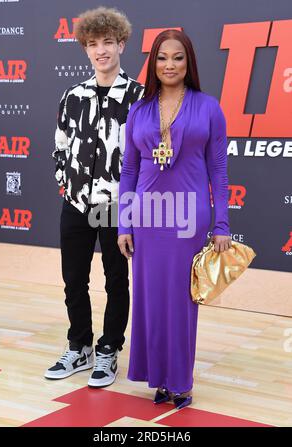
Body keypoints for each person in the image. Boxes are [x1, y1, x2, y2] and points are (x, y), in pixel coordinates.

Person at [118, 29, 231, 409]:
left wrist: (222, 224)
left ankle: (180, 381)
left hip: (189, 218)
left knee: (182, 302)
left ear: (189, 63)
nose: (170, 64)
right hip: (148, 218)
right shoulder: (139, 109)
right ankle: (159, 379)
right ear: (153, 63)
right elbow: (129, 172)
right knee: (149, 299)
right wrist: (124, 223)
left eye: (178, 57)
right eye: (162, 57)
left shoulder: (208, 107)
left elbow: (218, 170)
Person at [45, 7, 143, 388]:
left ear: (121, 44)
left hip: (116, 206)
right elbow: (59, 146)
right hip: (76, 202)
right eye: (93, 44)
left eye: (107, 42)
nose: (101, 50)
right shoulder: (73, 95)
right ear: (85, 49)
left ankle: (108, 350)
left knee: (116, 280)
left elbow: (146, 154)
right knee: (73, 278)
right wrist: (67, 183)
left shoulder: (138, 97)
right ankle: (80, 345)